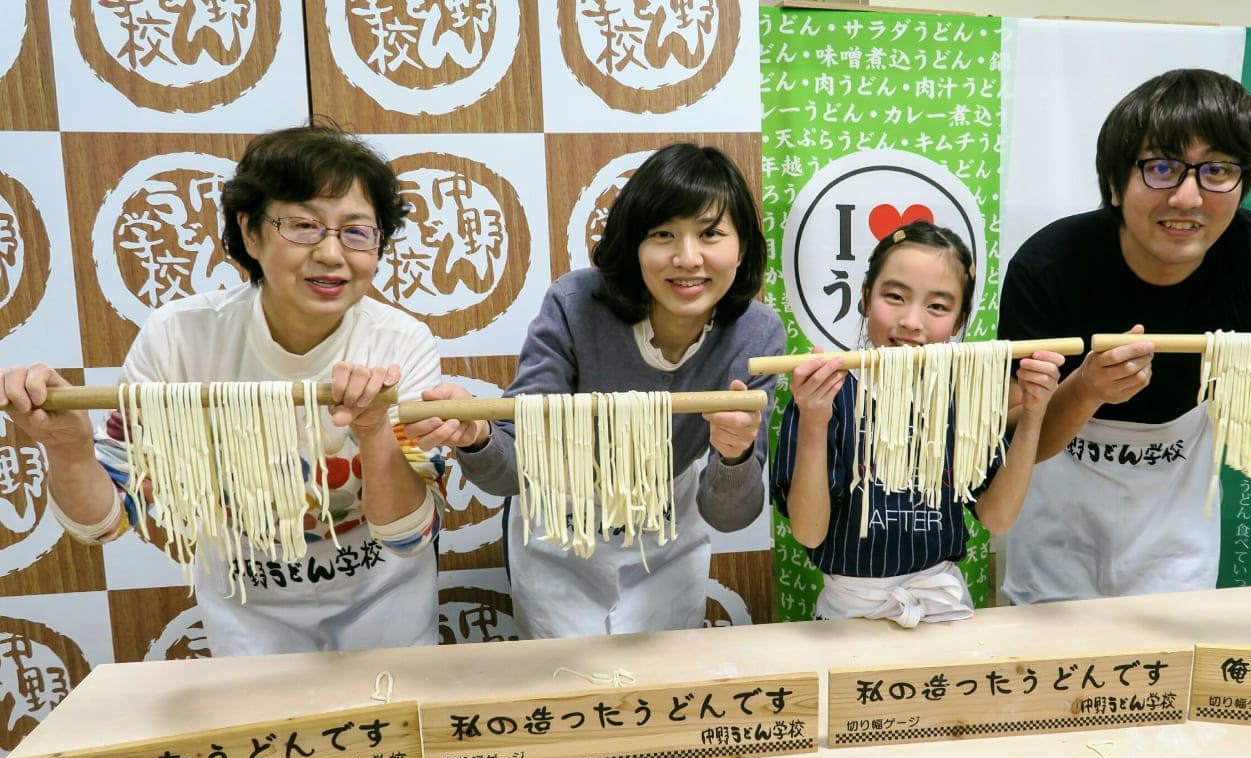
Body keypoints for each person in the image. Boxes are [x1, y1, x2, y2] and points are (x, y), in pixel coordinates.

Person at [0, 121, 447, 656]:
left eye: (356, 232)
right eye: (304, 225)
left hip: (385, 612)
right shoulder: (181, 339)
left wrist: (375, 431)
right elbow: (104, 523)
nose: (332, 254)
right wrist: (68, 447)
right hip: (249, 618)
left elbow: (406, 536)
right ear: (251, 233)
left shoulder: (399, 343)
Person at [996, 68, 1251, 604]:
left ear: (1242, 184)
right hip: (1054, 530)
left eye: (1217, 170)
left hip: (1176, 540)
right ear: (1113, 184)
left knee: (1166, 675)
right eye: (1163, 168)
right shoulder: (1050, 265)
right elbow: (1014, 443)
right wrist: (1086, 391)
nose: (1188, 198)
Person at [407, 142, 786, 639]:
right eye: (663, 234)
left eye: (711, 234)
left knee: (665, 687)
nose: (687, 257)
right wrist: (477, 434)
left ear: (742, 247)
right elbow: (512, 469)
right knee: (569, 687)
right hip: (560, 533)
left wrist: (735, 457)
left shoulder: (756, 335)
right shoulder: (574, 305)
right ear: (632, 244)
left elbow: (730, 515)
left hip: (666, 532)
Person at [771, 221, 1062, 626]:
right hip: (850, 614)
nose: (911, 321)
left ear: (960, 322)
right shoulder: (827, 394)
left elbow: (997, 519)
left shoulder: (964, 399)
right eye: (894, 296)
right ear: (865, 297)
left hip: (941, 604)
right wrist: (815, 422)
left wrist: (1033, 413)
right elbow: (808, 532)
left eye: (938, 306)